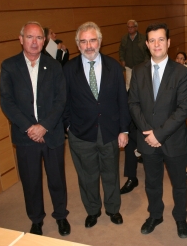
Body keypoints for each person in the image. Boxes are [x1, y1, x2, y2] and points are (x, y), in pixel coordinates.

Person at [0, 21, 70, 236]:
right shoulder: (9, 66)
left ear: (45, 41)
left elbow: (61, 100)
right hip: (25, 136)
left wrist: (44, 126)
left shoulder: (55, 66)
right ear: (21, 39)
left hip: (53, 133)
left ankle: (61, 216)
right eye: (30, 37)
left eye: (39, 38)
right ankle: (36, 219)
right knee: (31, 182)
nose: (34, 42)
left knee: (57, 178)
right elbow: (7, 101)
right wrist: (31, 128)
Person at [63, 22, 131, 228]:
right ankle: (93, 210)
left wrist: (124, 129)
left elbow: (122, 100)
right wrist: (68, 127)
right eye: (83, 41)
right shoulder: (68, 70)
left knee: (111, 172)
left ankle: (113, 209)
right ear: (77, 45)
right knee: (87, 176)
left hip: (110, 131)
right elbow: (64, 102)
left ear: (99, 42)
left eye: (92, 40)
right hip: (81, 134)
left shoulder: (114, 66)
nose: (89, 45)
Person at [129, 22, 187, 238]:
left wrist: (159, 134)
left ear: (169, 42)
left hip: (173, 140)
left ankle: (181, 218)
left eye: (161, 39)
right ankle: (155, 215)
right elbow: (133, 104)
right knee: (152, 182)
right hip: (147, 140)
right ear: (147, 44)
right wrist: (149, 133)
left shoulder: (182, 72)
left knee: (179, 185)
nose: (157, 44)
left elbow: (183, 109)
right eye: (152, 40)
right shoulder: (137, 72)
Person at [119, 20, 150, 90]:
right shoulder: (124, 38)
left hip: (140, 66)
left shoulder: (143, 38)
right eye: (128, 27)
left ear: (136, 28)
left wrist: (145, 63)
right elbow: (121, 50)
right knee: (129, 85)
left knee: (140, 84)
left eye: (132, 27)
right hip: (129, 66)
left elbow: (147, 52)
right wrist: (122, 59)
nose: (130, 29)